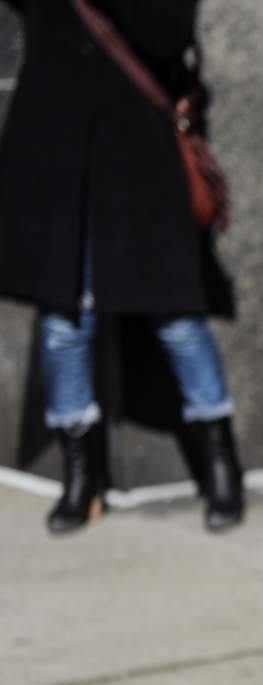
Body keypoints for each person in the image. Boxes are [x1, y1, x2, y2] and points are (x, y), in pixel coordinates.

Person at [0, 0, 244, 533]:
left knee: (177, 318)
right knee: (63, 323)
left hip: (138, 154)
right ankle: (80, 477)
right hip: (55, 153)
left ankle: (221, 462)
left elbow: (170, 33)